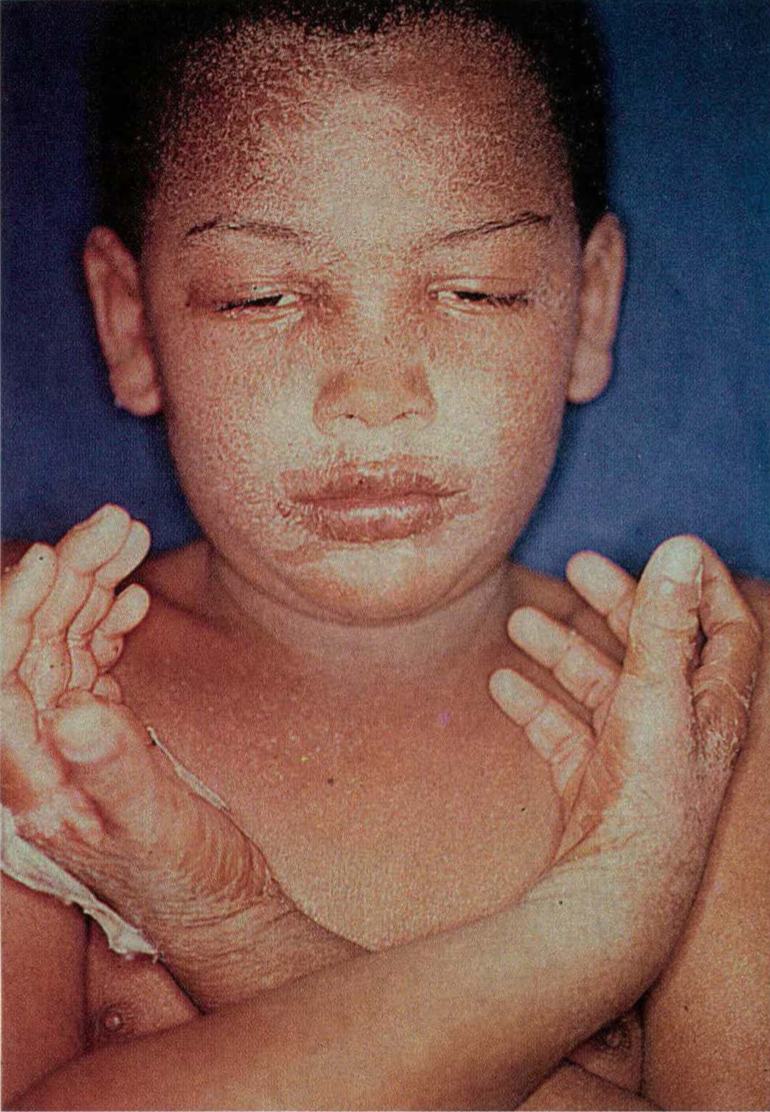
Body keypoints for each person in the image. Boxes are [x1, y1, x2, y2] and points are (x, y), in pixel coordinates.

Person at [2, 1, 767, 1108]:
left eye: (477, 290)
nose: (373, 394)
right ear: (130, 322)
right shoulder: (36, 668)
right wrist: (599, 930)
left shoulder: (708, 696)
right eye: (261, 296)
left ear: (589, 303)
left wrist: (227, 925)